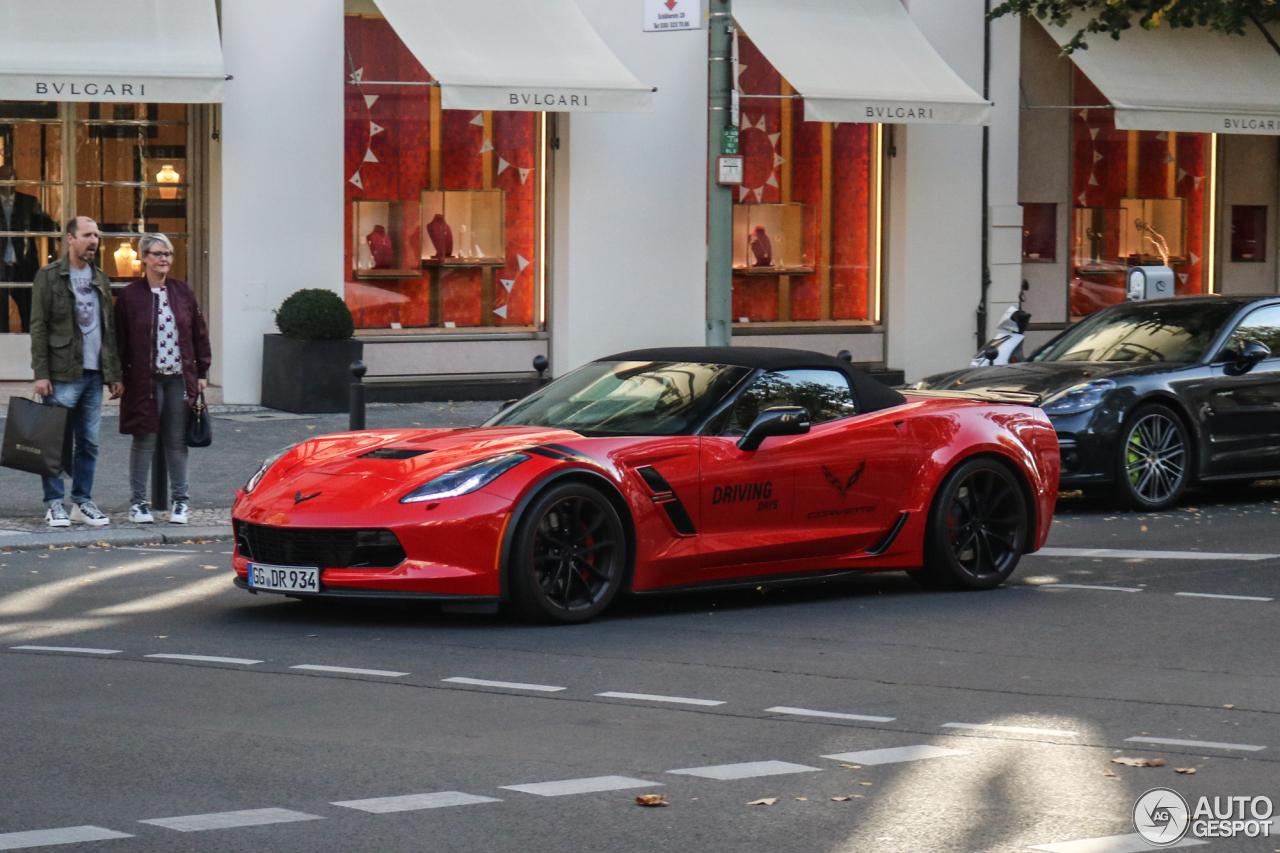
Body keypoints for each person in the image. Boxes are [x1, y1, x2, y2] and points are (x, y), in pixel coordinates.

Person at [29, 216, 123, 528]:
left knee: (89, 442)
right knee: (54, 441)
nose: (94, 240)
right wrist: (40, 372)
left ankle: (82, 501)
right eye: (87, 235)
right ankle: (54, 503)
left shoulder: (101, 278)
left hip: (95, 374)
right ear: (70, 238)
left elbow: (108, 331)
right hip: (61, 373)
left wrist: (114, 374)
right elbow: (39, 327)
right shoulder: (49, 276)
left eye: (96, 235)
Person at [115, 233, 210, 524]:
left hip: (179, 379)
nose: (164, 259)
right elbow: (119, 340)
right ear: (144, 258)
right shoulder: (130, 296)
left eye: (167, 253)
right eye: (157, 254)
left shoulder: (183, 292)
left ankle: (181, 502)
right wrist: (117, 376)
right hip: (144, 380)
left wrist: (202, 372)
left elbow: (199, 334)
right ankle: (138, 503)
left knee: (176, 441)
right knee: (144, 439)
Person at [1, 163, 57, 333]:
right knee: (1, 316)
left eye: (13, 177)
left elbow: (47, 226)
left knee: (30, 314)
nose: (9, 182)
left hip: (24, 266)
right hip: (0, 268)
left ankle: (31, 350)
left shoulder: (28, 202)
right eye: (5, 177)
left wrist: (63, 231)